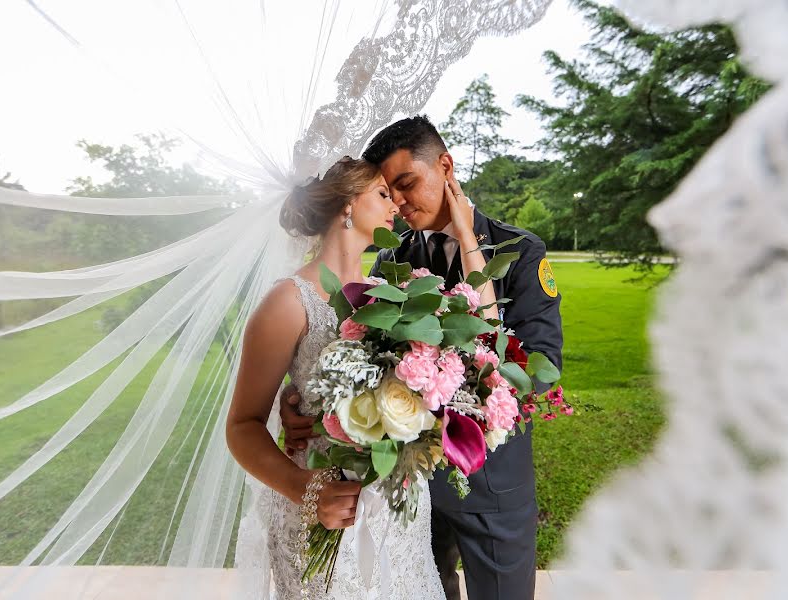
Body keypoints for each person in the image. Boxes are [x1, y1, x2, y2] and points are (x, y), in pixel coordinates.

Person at [280, 116, 563, 600]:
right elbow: (356, 345)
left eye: (408, 183)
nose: (401, 202)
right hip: (409, 489)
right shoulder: (392, 258)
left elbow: (539, 371)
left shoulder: (520, 251)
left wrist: (452, 376)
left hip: (492, 488)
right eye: (389, 192)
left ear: (446, 166)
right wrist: (305, 396)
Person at [226, 154, 498, 599]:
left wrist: (466, 228)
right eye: (383, 194)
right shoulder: (287, 302)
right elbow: (241, 426)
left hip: (399, 509)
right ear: (348, 204)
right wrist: (309, 491)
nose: (396, 205)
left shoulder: (393, 296)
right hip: (323, 511)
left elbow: (483, 322)